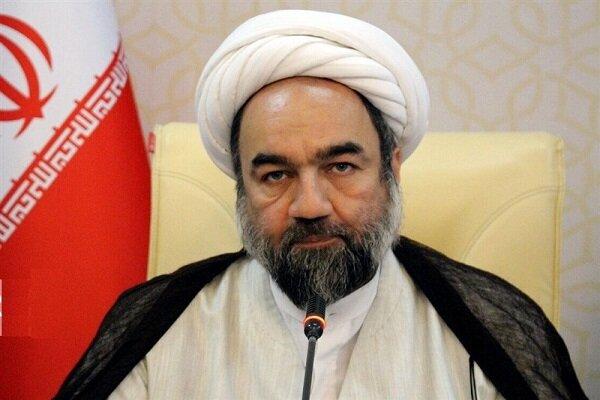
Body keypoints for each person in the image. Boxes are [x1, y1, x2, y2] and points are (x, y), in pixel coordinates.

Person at [56, 10, 587, 400]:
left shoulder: (487, 333)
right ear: (241, 188)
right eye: (275, 175)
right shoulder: (160, 328)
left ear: (392, 169)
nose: (310, 206)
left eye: (341, 167)